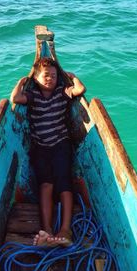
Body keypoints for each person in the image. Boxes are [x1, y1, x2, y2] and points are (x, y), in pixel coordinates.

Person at [10, 57, 85, 247]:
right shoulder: (33, 96)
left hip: (61, 145)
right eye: (45, 75)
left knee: (64, 184)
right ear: (35, 79)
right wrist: (20, 83)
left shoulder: (62, 92)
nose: (50, 78)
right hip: (41, 148)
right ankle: (47, 232)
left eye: (53, 75)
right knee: (46, 185)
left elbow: (80, 90)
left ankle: (65, 230)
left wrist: (73, 77)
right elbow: (15, 99)